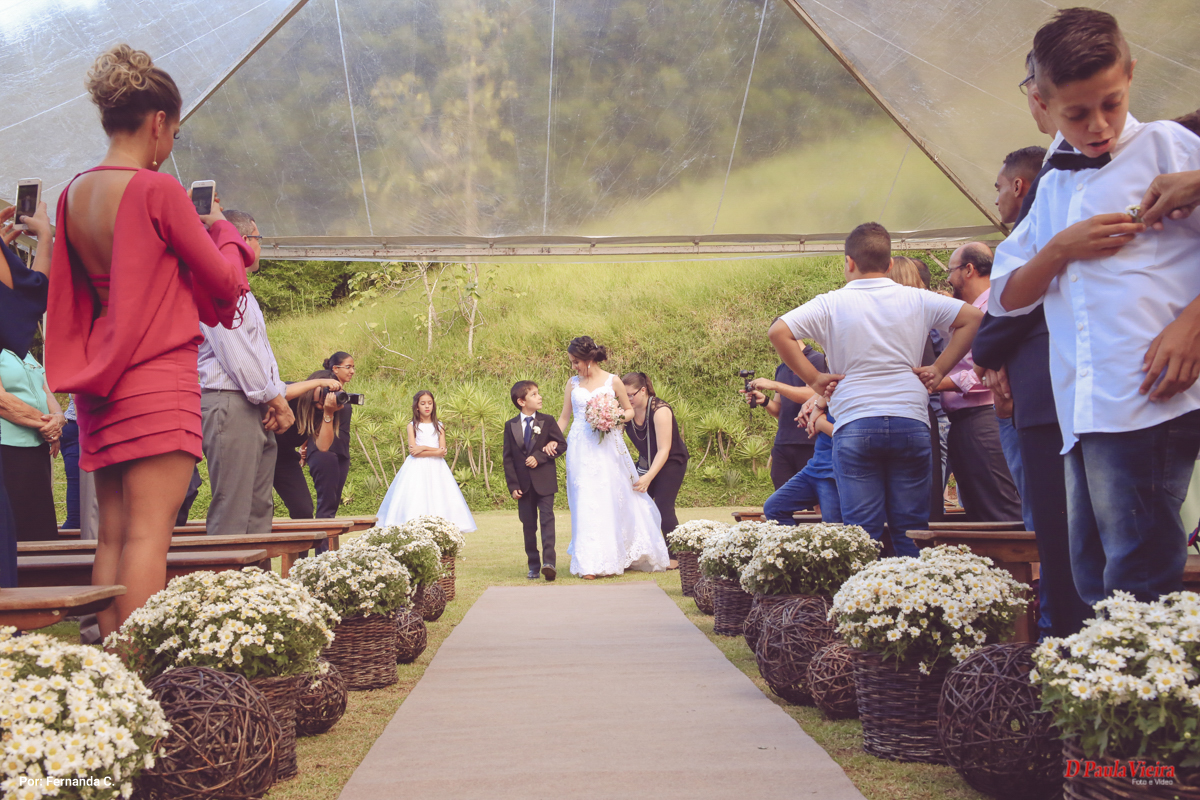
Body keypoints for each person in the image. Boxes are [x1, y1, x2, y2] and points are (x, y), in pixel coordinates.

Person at [991, 8, 1200, 606]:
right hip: (1081, 408)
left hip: (1149, 399)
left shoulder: (1170, 147)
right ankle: (1109, 693)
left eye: (1110, 103)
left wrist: (1193, 324)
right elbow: (1006, 297)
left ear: (1130, 75)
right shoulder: (1054, 183)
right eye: (1076, 114)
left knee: (1137, 573)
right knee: (1090, 571)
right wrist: (1060, 248)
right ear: (1041, 105)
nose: (1099, 125)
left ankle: (1143, 697)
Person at [45, 45, 253, 636]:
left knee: (111, 534)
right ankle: (138, 672)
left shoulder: (73, 193)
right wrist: (225, 231)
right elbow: (223, 279)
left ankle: (110, 673)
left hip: (101, 382)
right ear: (158, 123)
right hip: (157, 379)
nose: (171, 147)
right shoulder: (156, 191)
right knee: (149, 537)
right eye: (175, 134)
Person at [770, 223, 981, 557]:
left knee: (862, 533)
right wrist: (940, 368)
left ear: (849, 262)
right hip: (910, 421)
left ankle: (865, 604)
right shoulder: (917, 299)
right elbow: (972, 319)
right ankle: (912, 604)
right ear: (888, 265)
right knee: (911, 528)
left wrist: (814, 379)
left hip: (855, 422)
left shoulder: (830, 303)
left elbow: (779, 332)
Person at [976, 134, 1092, 637]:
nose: (996, 197)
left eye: (1000, 187)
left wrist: (990, 354)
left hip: (1050, 401)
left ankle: (1065, 637)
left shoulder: (1037, 233)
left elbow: (1003, 318)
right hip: (1042, 397)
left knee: (1064, 531)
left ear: (1021, 186)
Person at [198, 208, 292, 537]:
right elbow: (236, 354)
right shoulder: (218, 281)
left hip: (252, 402)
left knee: (258, 508)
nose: (260, 247)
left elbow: (261, 355)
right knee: (234, 508)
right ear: (240, 240)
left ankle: (256, 587)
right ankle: (224, 585)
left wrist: (272, 396)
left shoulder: (244, 289)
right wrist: (275, 400)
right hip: (230, 400)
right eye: (258, 238)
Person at [554, 336, 669, 578]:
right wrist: (551, 439)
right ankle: (588, 562)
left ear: (589, 359)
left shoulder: (613, 381)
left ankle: (613, 554)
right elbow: (565, 417)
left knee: (606, 496)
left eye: (576, 362)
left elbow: (628, 410)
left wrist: (611, 418)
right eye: (572, 362)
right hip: (580, 446)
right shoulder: (572, 384)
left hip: (606, 445)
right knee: (583, 497)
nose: (573, 367)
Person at [931, 243, 1023, 522]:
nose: (948, 278)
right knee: (979, 511)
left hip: (984, 417)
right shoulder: (973, 309)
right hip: (966, 420)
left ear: (968, 270)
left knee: (999, 510)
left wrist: (935, 381)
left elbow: (987, 372)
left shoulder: (993, 308)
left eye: (951, 270)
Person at [0, 200, 52, 585]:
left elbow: (27, 295)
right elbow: (33, 294)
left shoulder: (21, 348)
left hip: (32, 444)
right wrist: (46, 238)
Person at [377, 390, 476, 532]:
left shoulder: (439, 426)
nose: (427, 406)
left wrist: (423, 447)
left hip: (437, 468)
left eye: (429, 403)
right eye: (423, 404)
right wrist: (435, 451)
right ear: (417, 407)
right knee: (417, 496)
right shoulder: (412, 426)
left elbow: (442, 451)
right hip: (416, 467)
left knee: (438, 495)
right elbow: (414, 452)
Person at [503, 380, 568, 580]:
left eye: (538, 393)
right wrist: (513, 486)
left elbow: (561, 445)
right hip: (523, 486)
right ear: (521, 401)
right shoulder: (511, 425)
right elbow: (508, 459)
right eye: (534, 394)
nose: (539, 397)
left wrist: (540, 456)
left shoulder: (547, 421)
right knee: (528, 525)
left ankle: (549, 563)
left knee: (547, 520)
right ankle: (533, 564)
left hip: (545, 482)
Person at [622, 372, 689, 563]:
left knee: (663, 505)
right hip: (646, 461)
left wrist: (649, 477)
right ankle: (636, 552)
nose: (627, 400)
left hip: (671, 461)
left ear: (643, 390)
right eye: (623, 396)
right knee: (633, 502)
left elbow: (664, 449)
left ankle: (676, 557)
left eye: (630, 395)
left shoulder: (660, 410)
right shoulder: (627, 411)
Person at [754, 382, 841, 525]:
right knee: (774, 508)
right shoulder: (828, 389)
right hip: (815, 467)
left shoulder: (857, 391)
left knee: (833, 526)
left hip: (834, 472)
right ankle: (796, 546)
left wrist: (819, 423)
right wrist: (814, 405)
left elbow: (857, 435)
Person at [0, 348, 64, 540]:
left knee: (39, 525)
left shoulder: (24, 351)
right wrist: (46, 424)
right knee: (14, 524)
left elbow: (45, 391)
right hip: (7, 446)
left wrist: (58, 419)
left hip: (37, 447)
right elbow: (2, 400)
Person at [272, 370, 345, 519]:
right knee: (262, 506)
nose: (327, 395)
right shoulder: (294, 392)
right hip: (260, 452)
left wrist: (329, 413)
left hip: (285, 458)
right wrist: (319, 382)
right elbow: (278, 394)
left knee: (303, 509)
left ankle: (301, 543)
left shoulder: (322, 411)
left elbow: (323, 446)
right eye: (325, 390)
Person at [751, 351, 827, 490]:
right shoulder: (782, 368)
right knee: (781, 498)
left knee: (817, 499)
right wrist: (764, 401)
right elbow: (780, 410)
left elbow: (815, 395)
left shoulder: (817, 360)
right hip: (783, 443)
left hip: (810, 442)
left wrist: (776, 385)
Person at [308, 351, 355, 519]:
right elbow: (311, 419)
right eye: (348, 367)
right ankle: (323, 546)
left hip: (341, 450)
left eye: (353, 367)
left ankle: (328, 546)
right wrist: (305, 446)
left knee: (333, 504)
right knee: (326, 504)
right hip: (324, 451)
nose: (352, 371)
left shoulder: (341, 394)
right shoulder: (321, 389)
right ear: (335, 369)